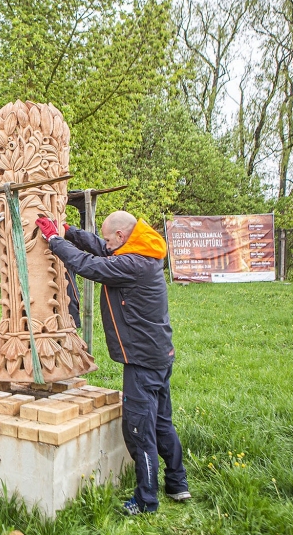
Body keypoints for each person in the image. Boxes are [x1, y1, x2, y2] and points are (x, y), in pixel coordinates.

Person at [35, 211, 190, 515]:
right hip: (157, 355)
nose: (106, 243)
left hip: (142, 362)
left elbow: (90, 265)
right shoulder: (140, 250)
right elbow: (99, 247)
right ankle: (177, 483)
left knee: (138, 429)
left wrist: (54, 240)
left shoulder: (134, 263)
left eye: (109, 238)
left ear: (121, 237)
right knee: (161, 423)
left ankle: (146, 500)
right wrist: (70, 232)